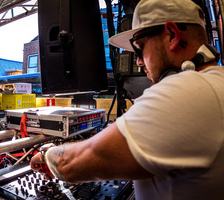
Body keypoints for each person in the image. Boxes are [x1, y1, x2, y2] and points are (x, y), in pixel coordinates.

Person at [30, 0, 224, 199]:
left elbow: (69, 165)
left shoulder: (187, 91)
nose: (139, 62)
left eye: (139, 49)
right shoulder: (215, 82)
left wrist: (47, 154)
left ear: (172, 36)